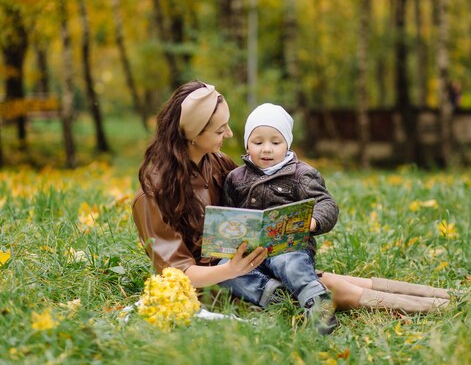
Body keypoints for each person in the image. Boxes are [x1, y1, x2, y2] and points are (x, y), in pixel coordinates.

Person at [132, 81, 452, 334]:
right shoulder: (153, 194)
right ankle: (448, 309)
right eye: (220, 130)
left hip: (257, 264)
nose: (229, 134)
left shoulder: (215, 163)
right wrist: (231, 270)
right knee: (335, 290)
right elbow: (177, 273)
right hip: (224, 284)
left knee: (339, 280)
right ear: (191, 135)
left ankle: (455, 299)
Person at [221, 103, 340, 334]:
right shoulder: (235, 178)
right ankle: (276, 296)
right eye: (258, 142)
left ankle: (319, 305)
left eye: (275, 142)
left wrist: (311, 222)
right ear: (247, 143)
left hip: (289, 247)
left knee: (289, 263)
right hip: (250, 252)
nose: (267, 149)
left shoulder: (300, 174)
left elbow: (327, 204)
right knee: (223, 271)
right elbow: (228, 213)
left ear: (287, 144)